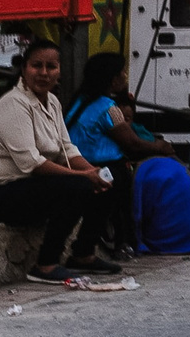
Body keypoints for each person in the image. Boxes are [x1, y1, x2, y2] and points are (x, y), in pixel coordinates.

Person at [0, 36, 113, 285]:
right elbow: (32, 163)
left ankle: (83, 254)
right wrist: (84, 177)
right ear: (24, 69)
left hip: (32, 189)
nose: (44, 73)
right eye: (37, 66)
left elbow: (66, 149)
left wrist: (94, 171)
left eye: (51, 67)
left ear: (59, 71)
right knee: (79, 186)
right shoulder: (14, 104)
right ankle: (45, 265)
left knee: (111, 179)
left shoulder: (52, 102)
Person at [66, 51, 178, 261]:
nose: (125, 76)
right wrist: (160, 147)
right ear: (112, 78)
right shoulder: (109, 107)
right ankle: (123, 242)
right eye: (122, 72)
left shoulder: (78, 101)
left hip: (77, 163)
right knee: (123, 182)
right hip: (100, 166)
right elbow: (132, 143)